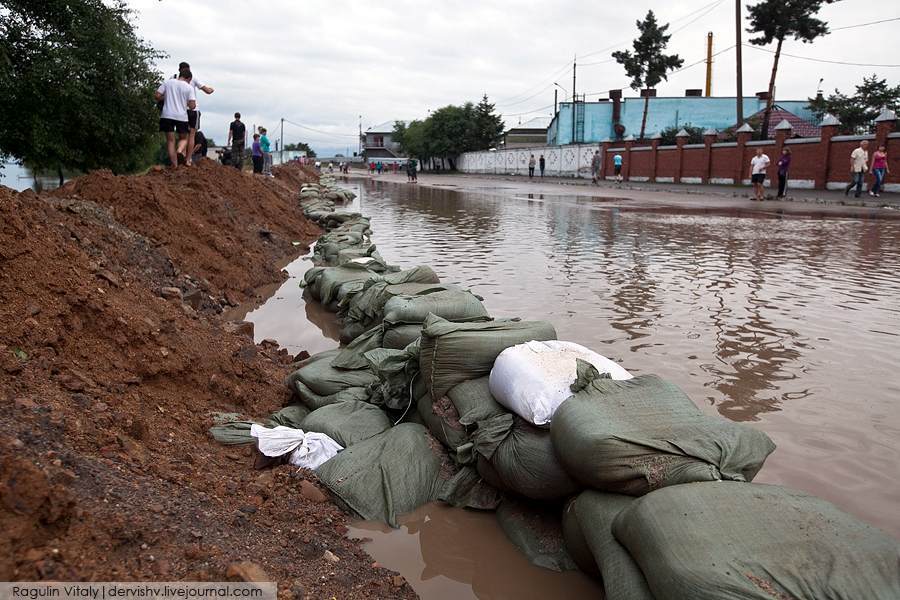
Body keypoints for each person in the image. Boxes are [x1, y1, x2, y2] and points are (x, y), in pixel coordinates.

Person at [174, 62, 214, 166]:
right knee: (192, 135)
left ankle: (180, 152)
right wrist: (211, 89)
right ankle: (188, 159)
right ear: (189, 70)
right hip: (193, 110)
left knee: (182, 136)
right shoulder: (193, 78)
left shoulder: (173, 78)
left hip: (179, 110)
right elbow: (207, 90)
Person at [154, 70, 196, 168]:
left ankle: (174, 165)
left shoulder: (168, 82)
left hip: (167, 115)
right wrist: (187, 103)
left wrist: (166, 97)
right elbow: (192, 106)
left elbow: (157, 96)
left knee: (170, 141)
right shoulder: (189, 87)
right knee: (184, 138)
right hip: (181, 116)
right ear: (188, 78)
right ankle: (180, 150)